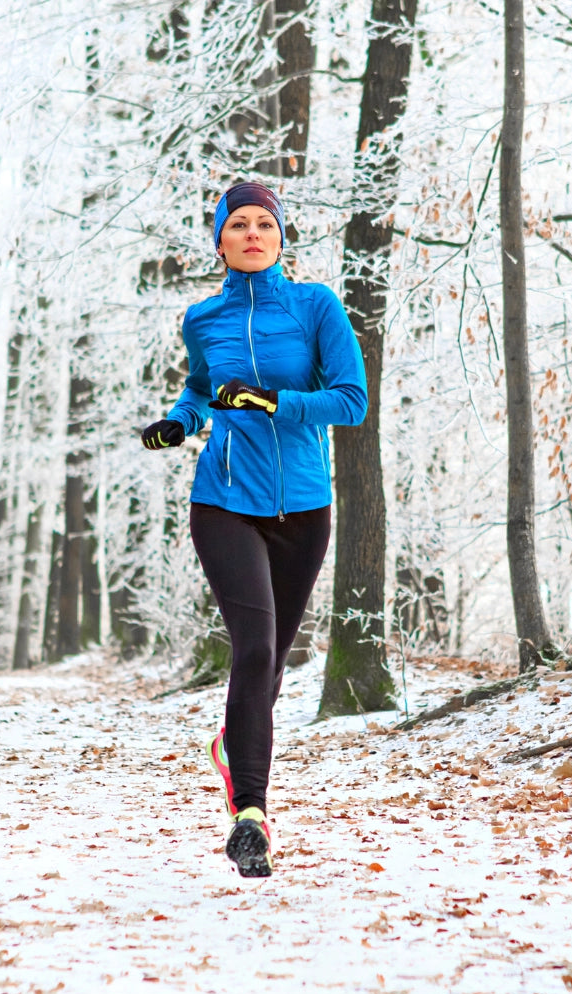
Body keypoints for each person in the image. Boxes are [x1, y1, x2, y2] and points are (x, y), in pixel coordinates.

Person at [141, 182, 367, 877]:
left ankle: (232, 747)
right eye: (237, 224)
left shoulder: (315, 307)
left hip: (302, 507)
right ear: (219, 241)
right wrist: (182, 421)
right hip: (225, 502)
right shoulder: (202, 318)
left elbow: (351, 402)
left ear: (280, 238)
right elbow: (201, 388)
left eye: (263, 223)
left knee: (269, 666)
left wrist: (274, 401)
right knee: (255, 647)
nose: (251, 233)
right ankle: (251, 817)